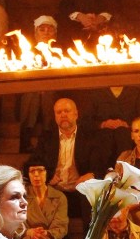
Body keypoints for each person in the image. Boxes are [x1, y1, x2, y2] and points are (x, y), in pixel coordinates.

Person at [28, 96, 105, 224]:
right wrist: (48, 177)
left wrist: (91, 174)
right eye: (59, 112)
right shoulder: (46, 138)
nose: (63, 115)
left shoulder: (90, 137)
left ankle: (90, 237)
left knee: (92, 199)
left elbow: (101, 165)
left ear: (76, 114)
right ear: (55, 116)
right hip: (56, 190)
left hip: (80, 190)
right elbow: (34, 162)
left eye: (67, 111)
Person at [22, 162, 68, 239]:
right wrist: (30, 232)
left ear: (48, 173)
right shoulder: (21, 196)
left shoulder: (59, 197)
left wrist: (45, 233)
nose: (36, 175)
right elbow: (17, 224)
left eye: (40, 170)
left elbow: (61, 227)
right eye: (32, 171)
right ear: (28, 174)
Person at [18, 15, 59, 152]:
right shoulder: (26, 51)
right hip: (31, 92)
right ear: (35, 34)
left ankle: (48, 135)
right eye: (42, 29)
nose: (46, 32)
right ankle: (26, 136)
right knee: (32, 95)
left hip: (54, 91)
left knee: (47, 95)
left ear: (55, 34)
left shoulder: (62, 52)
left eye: (50, 29)